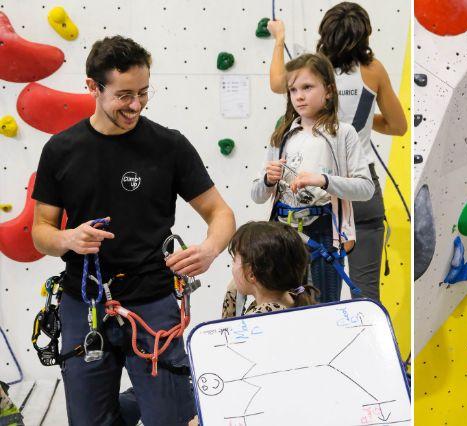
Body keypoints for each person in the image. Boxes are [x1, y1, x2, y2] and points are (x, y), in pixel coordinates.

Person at [31, 35, 235, 425]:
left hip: (153, 300)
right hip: (84, 304)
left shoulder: (168, 146)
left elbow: (220, 213)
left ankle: (143, 392)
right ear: (92, 86)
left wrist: (209, 250)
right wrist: (68, 238)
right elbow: (41, 231)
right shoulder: (61, 150)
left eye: (143, 92)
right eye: (124, 95)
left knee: (173, 419)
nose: (136, 105)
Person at [267, 2, 407, 301]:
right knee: (366, 292)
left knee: (313, 293)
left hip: (317, 190)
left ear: (324, 33)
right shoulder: (374, 70)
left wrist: (279, 39)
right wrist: (365, 122)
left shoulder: (312, 71)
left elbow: (278, 84)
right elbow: (397, 126)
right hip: (360, 184)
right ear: (364, 34)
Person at [251, 53, 374, 304]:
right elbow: (256, 195)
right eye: (293, 89)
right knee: (284, 306)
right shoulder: (282, 135)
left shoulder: (343, 133)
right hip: (282, 234)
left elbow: (366, 188)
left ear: (328, 91)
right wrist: (267, 180)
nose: (299, 96)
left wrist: (324, 180)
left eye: (307, 87)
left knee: (324, 307)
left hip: (324, 234)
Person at [221, 221, 319, 318]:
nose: (232, 266)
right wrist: (232, 295)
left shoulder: (258, 319)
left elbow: (228, 332)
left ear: (251, 274)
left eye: (234, 260)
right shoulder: (294, 301)